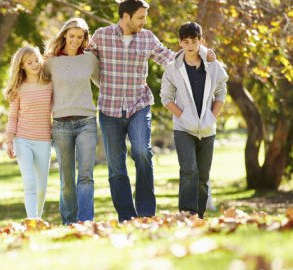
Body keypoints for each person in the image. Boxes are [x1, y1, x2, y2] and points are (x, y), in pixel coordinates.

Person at [87, 0, 214, 221]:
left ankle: (146, 214)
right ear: (125, 16)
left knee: (142, 152)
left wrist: (202, 53)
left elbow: (170, 58)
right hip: (109, 109)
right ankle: (127, 216)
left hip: (139, 105)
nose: (144, 22)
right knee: (116, 166)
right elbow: (84, 61)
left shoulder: (147, 38)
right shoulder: (101, 35)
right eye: (140, 17)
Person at [160, 21, 228, 218]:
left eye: (194, 41)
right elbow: (166, 98)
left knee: (203, 176)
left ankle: (199, 215)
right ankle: (186, 213)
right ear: (180, 42)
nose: (190, 45)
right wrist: (183, 116)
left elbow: (221, 92)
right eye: (186, 41)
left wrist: (211, 116)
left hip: (207, 129)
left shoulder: (212, 65)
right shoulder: (173, 68)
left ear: (200, 41)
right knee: (189, 170)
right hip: (183, 129)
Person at [44, 18, 99, 224]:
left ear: (85, 38)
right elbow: (41, 88)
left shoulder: (90, 60)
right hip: (61, 125)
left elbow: (106, 83)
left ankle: (85, 221)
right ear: (64, 35)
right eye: (72, 35)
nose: (75, 40)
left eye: (80, 36)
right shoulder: (51, 62)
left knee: (85, 176)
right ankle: (69, 222)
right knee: (66, 180)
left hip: (86, 122)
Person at [4, 46, 53, 219]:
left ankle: (37, 218)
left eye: (36, 60)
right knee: (30, 182)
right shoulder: (18, 88)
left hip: (44, 140)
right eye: (29, 62)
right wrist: (9, 141)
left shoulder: (50, 84)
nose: (34, 64)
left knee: (42, 187)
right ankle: (32, 220)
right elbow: (12, 117)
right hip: (22, 139)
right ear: (22, 66)